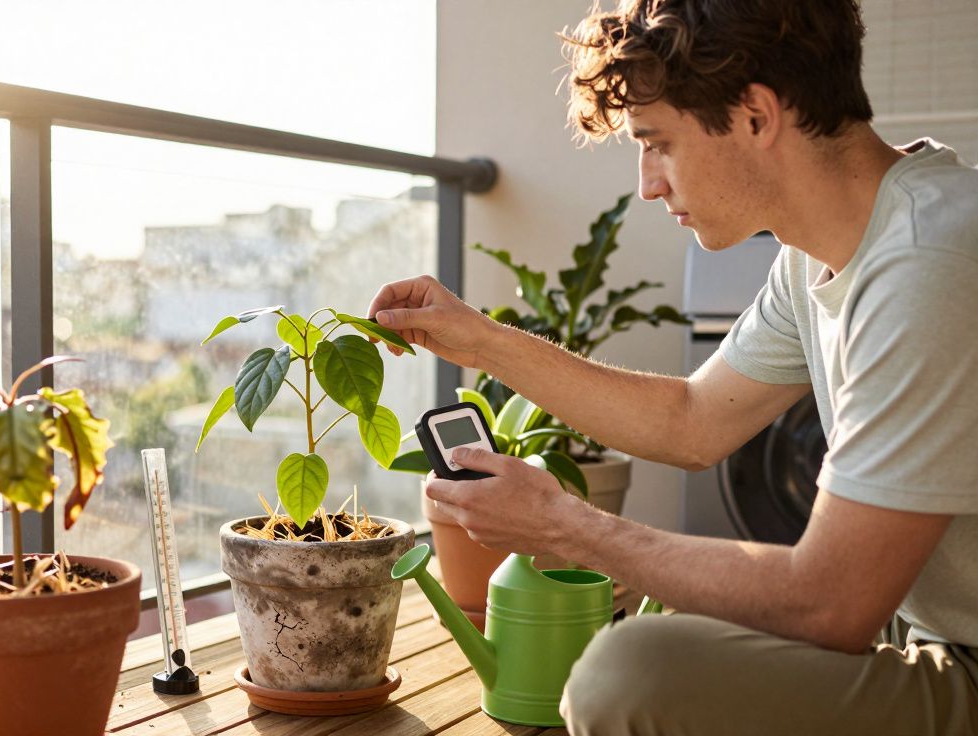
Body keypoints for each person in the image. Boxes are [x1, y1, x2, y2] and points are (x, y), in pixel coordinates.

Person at [367, 1, 978, 733]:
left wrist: (566, 526)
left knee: (627, 675)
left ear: (755, 116)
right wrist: (482, 342)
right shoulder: (819, 249)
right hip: (919, 634)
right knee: (663, 631)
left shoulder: (930, 260)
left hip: (958, 655)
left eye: (658, 144)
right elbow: (693, 420)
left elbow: (832, 602)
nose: (649, 184)